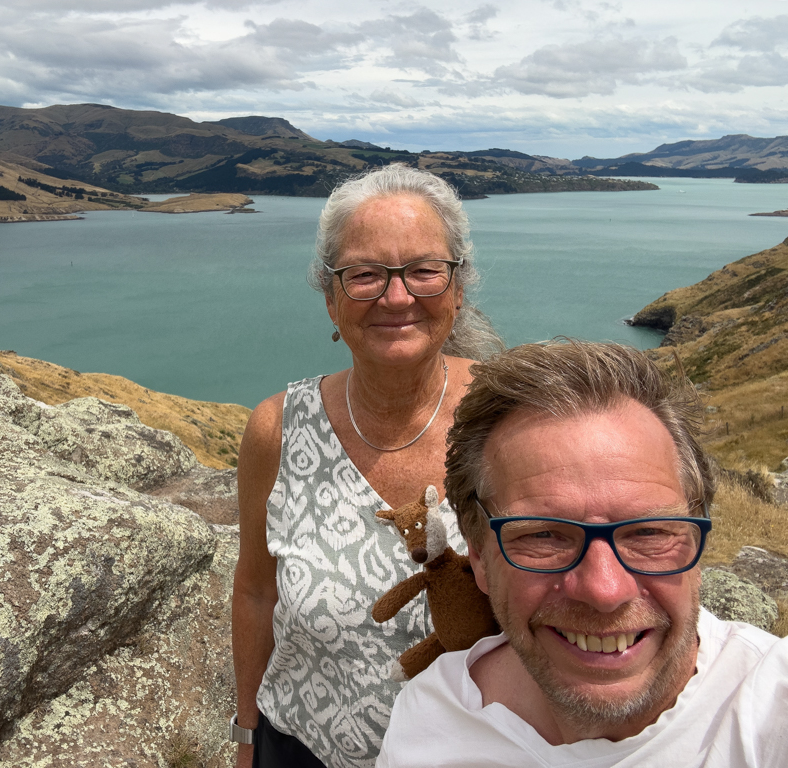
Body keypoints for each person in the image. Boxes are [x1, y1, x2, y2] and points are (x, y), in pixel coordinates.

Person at [377, 340, 788, 767]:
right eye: (544, 536)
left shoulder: (770, 707)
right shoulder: (428, 724)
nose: (604, 590)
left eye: (648, 532)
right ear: (479, 553)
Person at [231, 164, 502, 768]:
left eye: (424, 270)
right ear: (330, 296)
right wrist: (247, 736)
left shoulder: (508, 417)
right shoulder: (277, 430)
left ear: (458, 289)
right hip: (301, 749)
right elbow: (254, 591)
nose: (397, 296)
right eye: (365, 274)